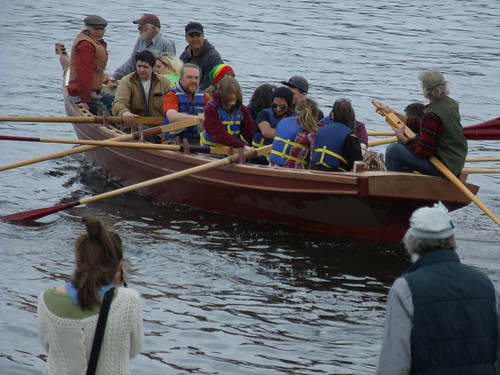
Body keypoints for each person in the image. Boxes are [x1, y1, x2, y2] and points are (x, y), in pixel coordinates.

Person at [376, 202, 500, 375]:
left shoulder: (405, 288)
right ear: (453, 238)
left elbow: (394, 364)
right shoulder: (487, 285)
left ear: (410, 242)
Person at [37, 214, 144, 374]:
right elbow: (134, 349)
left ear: (79, 259)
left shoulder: (46, 299)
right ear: (118, 266)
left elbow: (48, 346)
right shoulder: (128, 300)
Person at [377, 69, 468, 177]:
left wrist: (401, 137)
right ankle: (408, 179)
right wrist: (392, 112)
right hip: (454, 161)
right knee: (403, 143)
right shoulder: (451, 104)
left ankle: (396, 187)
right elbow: (425, 125)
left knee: (393, 150)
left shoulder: (433, 114)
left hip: (443, 167)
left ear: (425, 88)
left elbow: (421, 151)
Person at [112, 50, 174, 137]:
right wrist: (124, 112)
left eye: (145, 67)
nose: (141, 70)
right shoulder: (127, 81)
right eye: (139, 66)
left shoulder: (165, 82)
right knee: (142, 130)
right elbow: (118, 103)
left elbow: (174, 100)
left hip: (159, 129)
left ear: (153, 67)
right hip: (132, 128)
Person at [67, 15, 114, 115]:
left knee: (114, 102)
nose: (100, 32)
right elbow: (83, 74)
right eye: (96, 29)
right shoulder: (86, 45)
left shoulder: (92, 41)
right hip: (82, 95)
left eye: (102, 29)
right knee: (105, 115)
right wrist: (84, 101)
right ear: (87, 29)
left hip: (93, 93)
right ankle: (116, 126)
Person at [109, 14, 176, 84]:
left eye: (142, 26)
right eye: (138, 26)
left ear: (153, 28)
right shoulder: (140, 40)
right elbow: (131, 63)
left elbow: (172, 69)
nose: (139, 29)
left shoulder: (166, 44)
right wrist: (114, 76)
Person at [161, 63, 211, 142]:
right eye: (189, 77)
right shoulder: (171, 96)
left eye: (196, 78)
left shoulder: (204, 97)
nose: (193, 81)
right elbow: (172, 117)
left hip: (198, 141)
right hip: (174, 140)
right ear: (180, 79)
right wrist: (197, 118)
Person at [201, 75, 254, 149]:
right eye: (229, 93)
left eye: (235, 93)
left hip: (234, 150)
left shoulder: (242, 109)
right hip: (213, 151)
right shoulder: (211, 109)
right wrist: (242, 146)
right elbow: (219, 135)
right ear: (221, 92)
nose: (233, 96)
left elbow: (249, 131)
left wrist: (256, 145)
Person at [310, 98, 363, 172]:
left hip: (314, 171)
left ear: (333, 115)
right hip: (336, 174)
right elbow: (357, 163)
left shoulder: (320, 131)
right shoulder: (350, 136)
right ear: (351, 115)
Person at [269, 97, 319, 169]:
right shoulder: (310, 132)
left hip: (271, 168)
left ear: (296, 110)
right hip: (292, 173)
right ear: (315, 114)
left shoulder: (283, 122)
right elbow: (313, 159)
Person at [179, 22, 224, 91]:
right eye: (191, 36)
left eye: (198, 35)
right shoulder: (184, 56)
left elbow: (210, 84)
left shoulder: (213, 57)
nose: (195, 39)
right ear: (186, 38)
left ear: (203, 36)